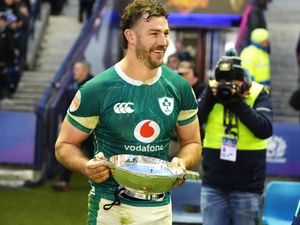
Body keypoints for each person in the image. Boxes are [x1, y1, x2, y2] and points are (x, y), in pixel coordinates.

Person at [55, 0, 201, 224]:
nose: (163, 42)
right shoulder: (97, 90)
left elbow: (192, 143)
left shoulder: (180, 88)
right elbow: (64, 145)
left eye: (165, 33)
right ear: (131, 36)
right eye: (154, 34)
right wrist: (86, 167)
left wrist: (181, 162)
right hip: (110, 207)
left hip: (159, 209)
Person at [198, 56, 273, 225]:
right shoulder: (211, 91)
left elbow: (265, 129)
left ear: (243, 80)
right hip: (213, 184)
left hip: (247, 187)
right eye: (222, 82)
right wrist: (208, 101)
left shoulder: (257, 92)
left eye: (232, 83)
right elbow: (192, 125)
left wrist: (238, 104)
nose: (227, 87)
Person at [52, 60, 94, 192]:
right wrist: (63, 122)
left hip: (90, 128)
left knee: (97, 154)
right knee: (70, 150)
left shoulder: (94, 85)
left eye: (77, 69)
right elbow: (68, 106)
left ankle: (108, 181)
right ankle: (64, 181)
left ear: (84, 71)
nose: (74, 72)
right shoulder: (73, 86)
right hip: (77, 128)